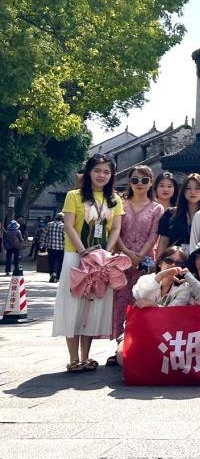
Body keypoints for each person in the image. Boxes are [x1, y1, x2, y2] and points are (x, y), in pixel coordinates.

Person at [53, 154, 125, 373]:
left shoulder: (114, 199)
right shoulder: (73, 196)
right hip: (75, 256)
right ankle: (73, 358)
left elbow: (116, 228)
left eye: (106, 172)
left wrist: (106, 253)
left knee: (92, 305)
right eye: (97, 170)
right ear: (88, 172)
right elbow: (69, 225)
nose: (101, 175)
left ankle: (86, 357)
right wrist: (83, 252)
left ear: (112, 175)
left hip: (101, 260)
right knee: (72, 304)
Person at [112, 165, 164, 351]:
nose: (139, 183)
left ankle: (138, 344)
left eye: (144, 180)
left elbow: (154, 235)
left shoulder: (157, 208)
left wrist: (140, 255)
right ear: (129, 182)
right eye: (135, 180)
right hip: (121, 259)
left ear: (151, 183)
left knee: (140, 300)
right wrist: (126, 251)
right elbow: (115, 231)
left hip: (145, 261)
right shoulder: (120, 203)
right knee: (119, 302)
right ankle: (119, 344)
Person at [156, 172, 200, 257]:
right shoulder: (170, 214)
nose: (192, 192)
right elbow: (163, 242)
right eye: (188, 188)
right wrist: (158, 262)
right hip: (175, 260)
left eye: (197, 188)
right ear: (183, 191)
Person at [40, 212, 66, 283]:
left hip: (50, 247)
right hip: (61, 247)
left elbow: (44, 235)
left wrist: (42, 245)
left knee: (51, 261)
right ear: (62, 219)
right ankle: (57, 277)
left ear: (55, 218)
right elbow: (65, 237)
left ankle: (52, 273)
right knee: (59, 262)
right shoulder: (63, 226)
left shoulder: (49, 224)